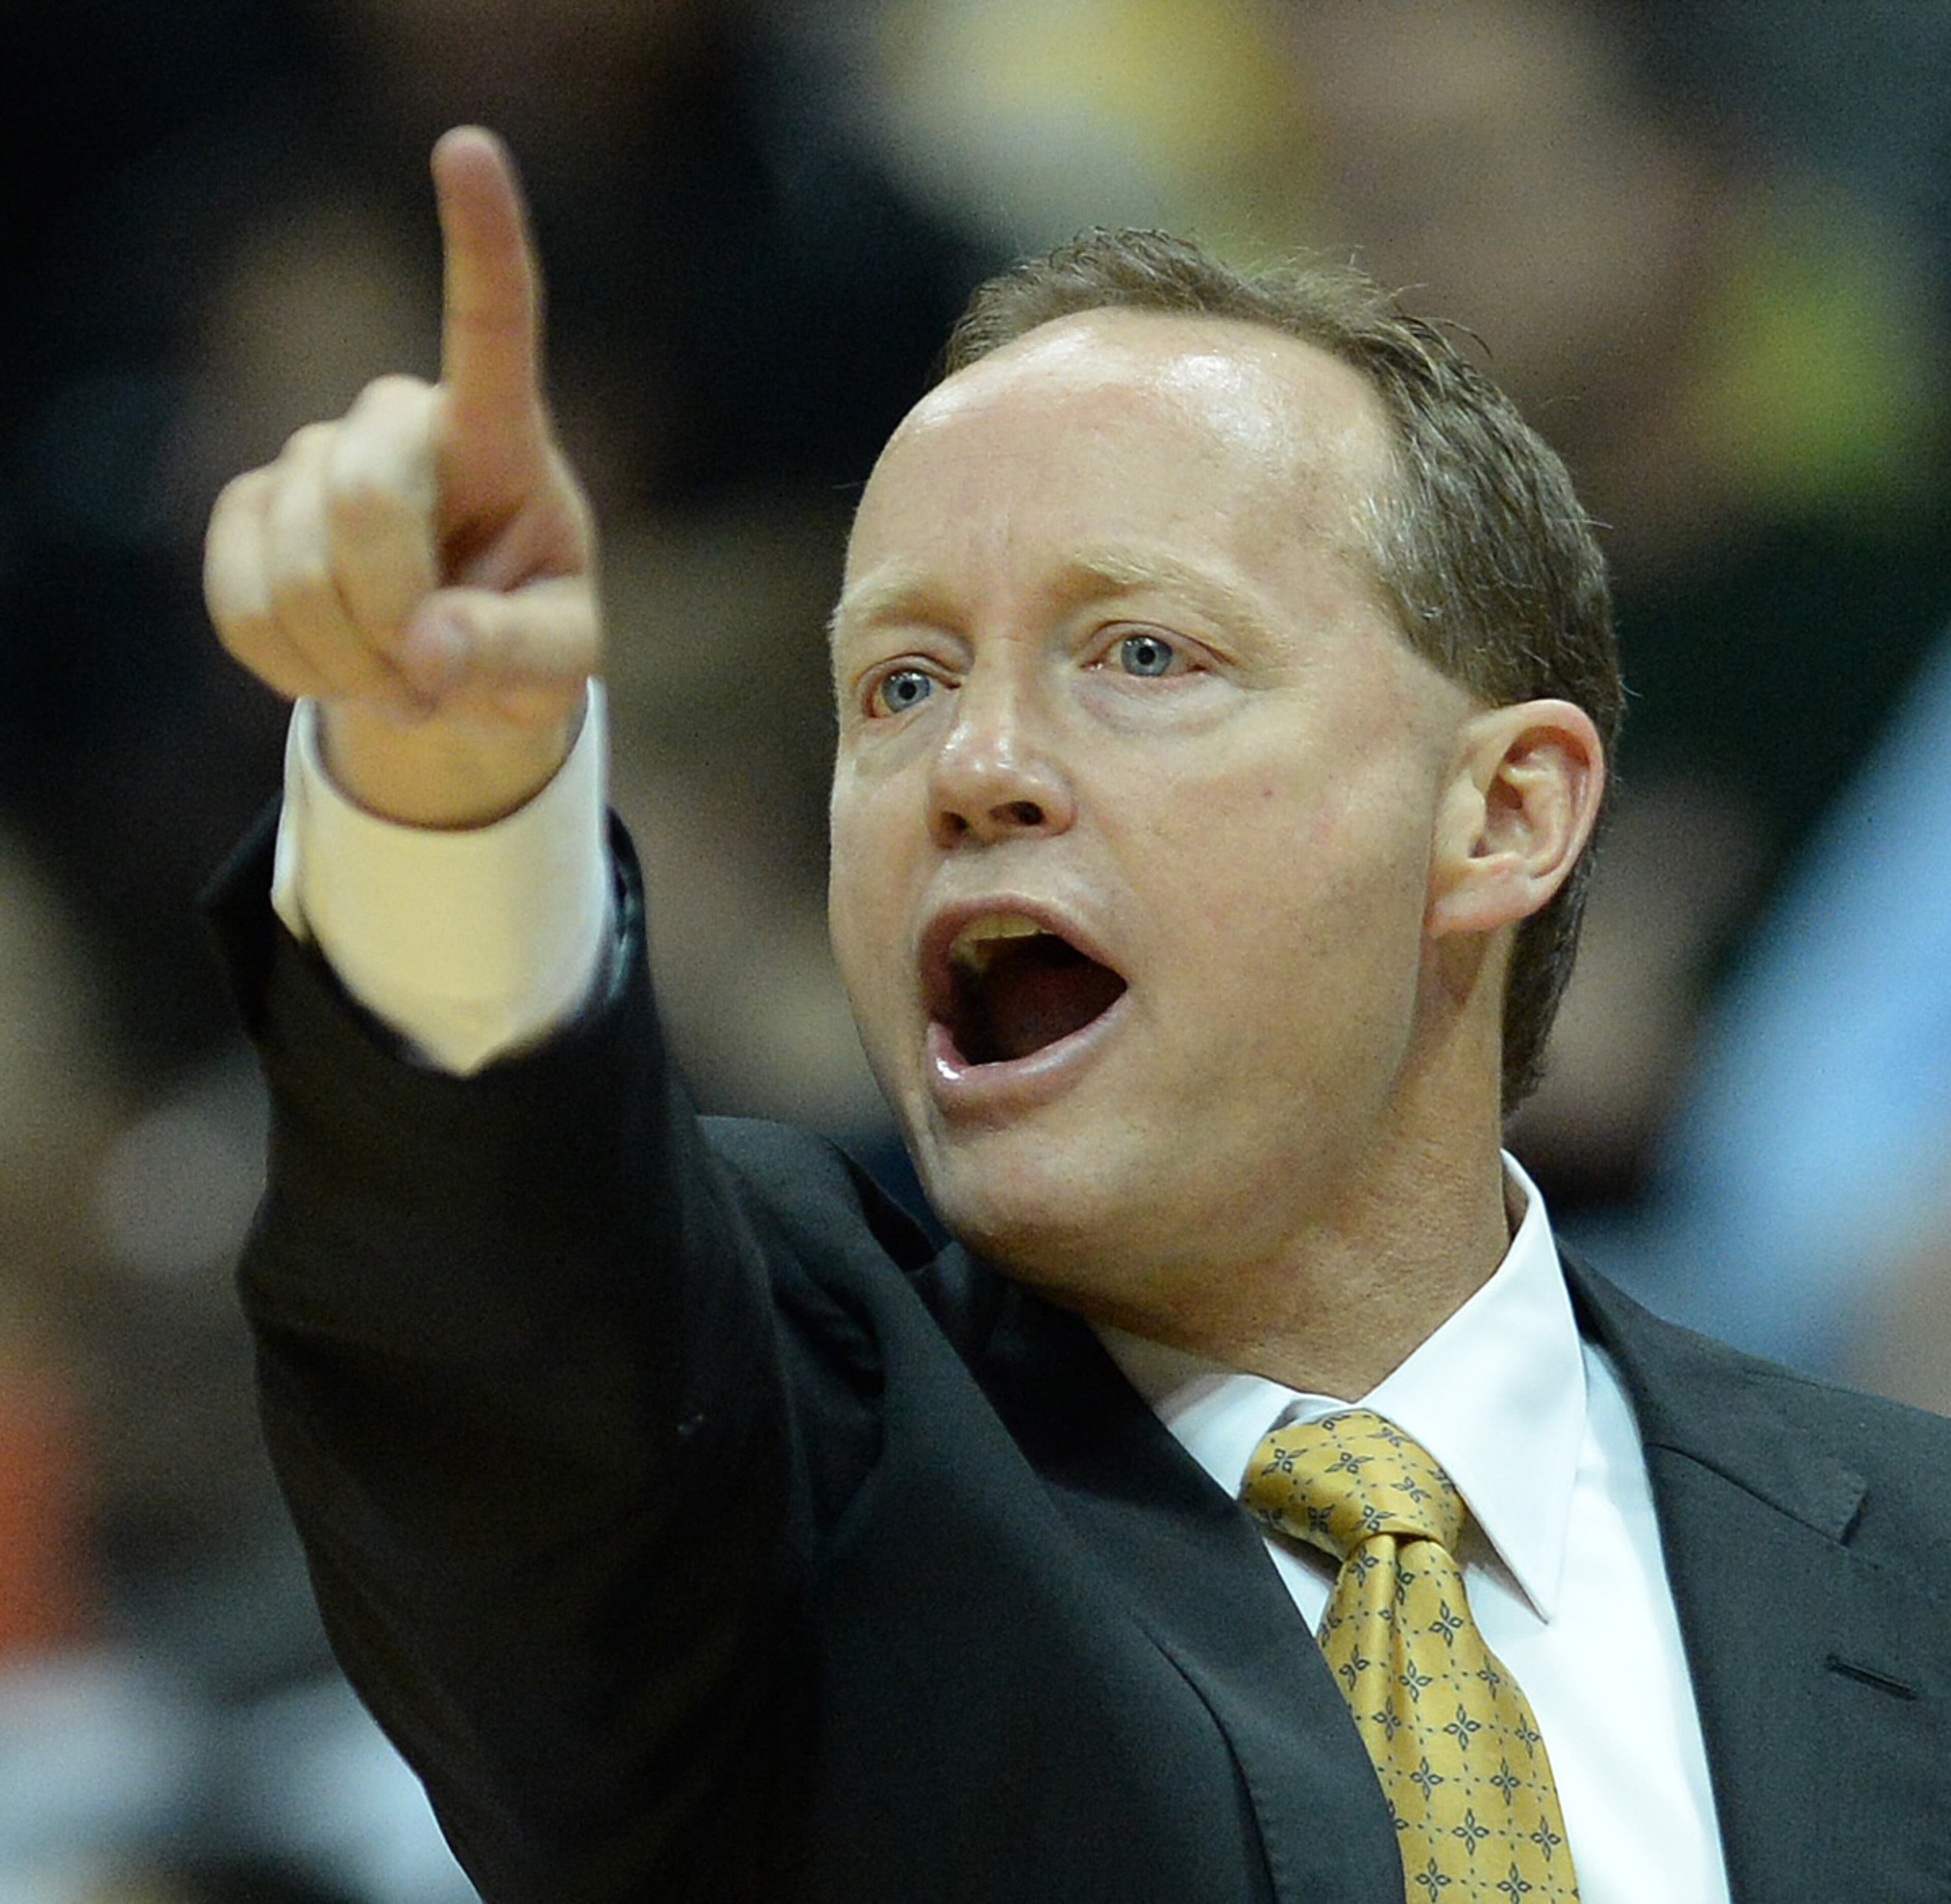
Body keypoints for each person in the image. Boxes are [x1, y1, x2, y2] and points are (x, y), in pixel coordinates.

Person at [201, 129, 1951, 1904]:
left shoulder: (1921, 1566)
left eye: (1140, 654)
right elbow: (488, 1302)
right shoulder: (769, 1463)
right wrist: (443, 798)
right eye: (901, 683)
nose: (975, 766)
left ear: (1500, 814)